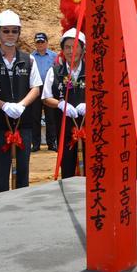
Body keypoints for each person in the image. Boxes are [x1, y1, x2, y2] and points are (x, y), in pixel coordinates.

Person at [0, 10, 42, 193]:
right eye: (5, 31)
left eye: (14, 31)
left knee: (23, 170)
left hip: (23, 124)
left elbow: (36, 87)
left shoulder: (28, 60)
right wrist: (3, 105)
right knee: (0, 171)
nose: (10, 35)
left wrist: (21, 105)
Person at [41, 29, 87, 178]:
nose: (70, 51)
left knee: (89, 169)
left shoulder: (92, 71)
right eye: (67, 47)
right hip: (64, 129)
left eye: (75, 46)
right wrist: (61, 105)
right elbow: (46, 97)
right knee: (67, 169)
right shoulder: (55, 72)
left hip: (89, 129)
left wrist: (90, 105)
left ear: (82, 49)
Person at [29, 32, 59, 151]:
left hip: (49, 89)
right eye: (38, 42)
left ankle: (52, 143)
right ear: (35, 43)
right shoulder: (31, 57)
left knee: (51, 117)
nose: (40, 44)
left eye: (42, 41)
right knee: (35, 116)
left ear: (47, 42)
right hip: (36, 88)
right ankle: (35, 144)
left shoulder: (54, 56)